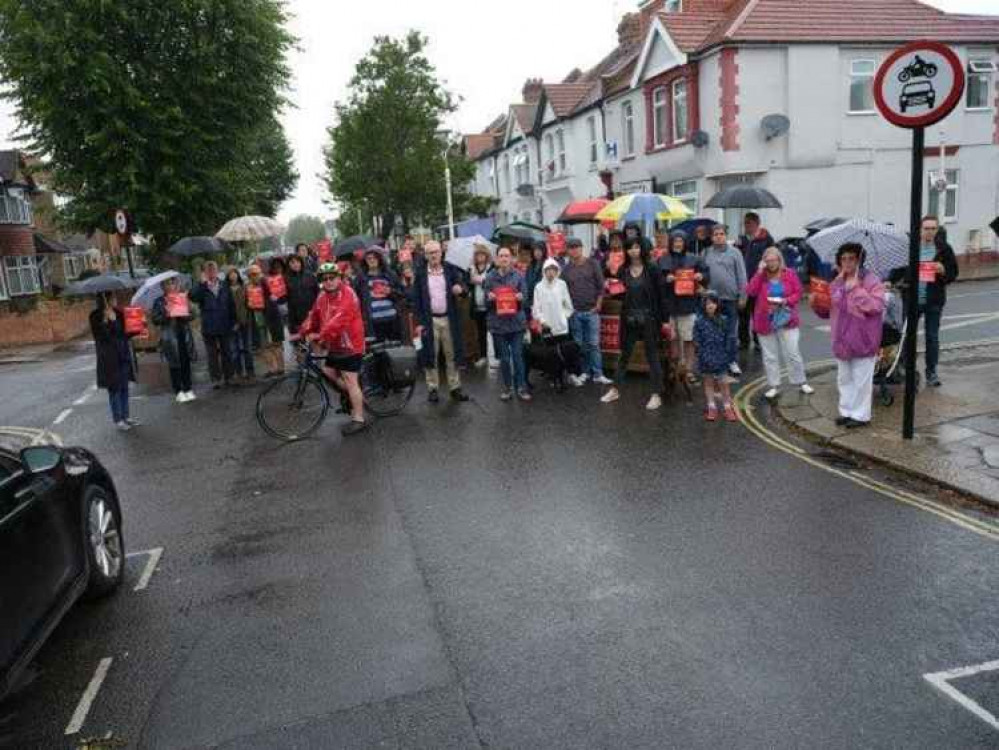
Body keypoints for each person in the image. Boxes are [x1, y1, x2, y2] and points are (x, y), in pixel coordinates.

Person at [298, 262, 368, 436]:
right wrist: (303, 331)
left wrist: (319, 336)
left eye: (332, 278)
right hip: (334, 344)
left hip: (351, 344)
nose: (328, 281)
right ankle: (354, 395)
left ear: (339, 278)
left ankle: (359, 418)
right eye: (325, 279)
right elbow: (313, 315)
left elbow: (338, 320)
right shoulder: (322, 297)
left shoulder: (348, 294)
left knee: (349, 380)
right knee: (327, 371)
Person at [600, 239, 664, 410]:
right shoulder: (623, 270)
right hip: (629, 318)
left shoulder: (652, 269)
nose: (633, 250)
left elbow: (661, 296)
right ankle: (615, 389)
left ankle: (656, 394)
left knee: (652, 357)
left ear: (642, 249)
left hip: (649, 318)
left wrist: (665, 321)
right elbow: (620, 295)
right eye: (629, 247)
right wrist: (610, 287)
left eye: (636, 247)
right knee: (624, 356)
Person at [745, 247, 814, 400]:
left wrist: (786, 301)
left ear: (779, 260)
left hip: (786, 318)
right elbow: (750, 291)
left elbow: (798, 292)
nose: (771, 263)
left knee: (793, 353)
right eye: (768, 260)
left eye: (774, 260)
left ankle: (801, 381)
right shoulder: (761, 276)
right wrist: (758, 272)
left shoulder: (789, 273)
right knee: (770, 356)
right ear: (764, 261)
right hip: (765, 320)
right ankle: (774, 385)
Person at [830, 243, 885, 429]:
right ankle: (846, 412)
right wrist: (818, 302)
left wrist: (856, 290)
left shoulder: (872, 281)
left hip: (863, 339)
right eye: (843, 258)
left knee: (861, 381)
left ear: (859, 260)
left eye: (851, 258)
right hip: (842, 339)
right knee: (844, 379)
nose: (847, 262)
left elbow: (876, 306)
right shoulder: (837, 281)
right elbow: (830, 309)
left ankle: (861, 416)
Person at [412, 240, 469, 403]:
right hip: (429, 320)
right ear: (425, 255)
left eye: (436, 251)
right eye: (430, 253)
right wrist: (419, 322)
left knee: (452, 354)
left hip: (449, 318)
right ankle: (433, 388)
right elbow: (416, 299)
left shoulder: (450, 269)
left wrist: (461, 290)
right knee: (430, 354)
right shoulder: (421, 273)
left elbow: (464, 288)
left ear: (441, 253)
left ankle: (455, 387)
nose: (434, 255)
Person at [914, 215, 959, 387]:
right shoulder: (912, 247)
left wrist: (943, 270)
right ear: (920, 229)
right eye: (927, 228)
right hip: (913, 300)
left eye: (933, 228)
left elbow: (953, 274)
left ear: (937, 230)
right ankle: (906, 368)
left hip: (934, 300)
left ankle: (931, 371)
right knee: (908, 337)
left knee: (932, 337)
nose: (930, 231)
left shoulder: (944, 248)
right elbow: (900, 270)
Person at [658, 229, 709, 379]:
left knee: (689, 339)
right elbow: (656, 280)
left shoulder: (695, 259)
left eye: (680, 241)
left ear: (685, 243)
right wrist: (665, 279)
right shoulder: (663, 260)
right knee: (672, 339)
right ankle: (674, 368)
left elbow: (706, 274)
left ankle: (688, 370)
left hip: (688, 305)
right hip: (670, 306)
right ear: (671, 243)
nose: (677, 244)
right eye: (675, 241)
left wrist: (701, 276)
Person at [562, 237, 612, 386]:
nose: (574, 250)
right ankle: (584, 372)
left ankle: (598, 373)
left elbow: (601, 286)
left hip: (592, 311)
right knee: (580, 345)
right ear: (568, 250)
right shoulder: (566, 269)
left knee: (594, 344)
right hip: (575, 313)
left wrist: (598, 304)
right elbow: (563, 292)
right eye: (571, 247)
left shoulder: (593, 263)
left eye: (577, 246)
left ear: (582, 248)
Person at [484, 246, 530, 401]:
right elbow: (486, 302)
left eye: (507, 256)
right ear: (497, 259)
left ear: (511, 259)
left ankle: (522, 387)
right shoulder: (490, 277)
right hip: (498, 325)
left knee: (517, 357)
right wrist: (489, 298)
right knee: (504, 358)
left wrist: (520, 298)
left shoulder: (518, 276)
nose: (504, 258)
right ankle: (507, 388)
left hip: (516, 324)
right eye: (501, 255)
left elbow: (526, 300)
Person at [703, 224, 747, 377]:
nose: (719, 236)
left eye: (721, 234)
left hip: (731, 299)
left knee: (731, 334)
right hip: (712, 300)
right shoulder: (706, 253)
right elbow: (702, 274)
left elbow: (742, 275)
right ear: (711, 237)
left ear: (726, 236)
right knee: (714, 333)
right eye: (715, 234)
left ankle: (732, 362)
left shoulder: (735, 253)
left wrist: (743, 296)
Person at [531, 257, 580, 392]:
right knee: (550, 356)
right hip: (547, 328)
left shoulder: (562, 284)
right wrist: (542, 321)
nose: (551, 273)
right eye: (548, 270)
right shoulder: (538, 287)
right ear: (544, 271)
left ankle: (562, 377)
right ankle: (554, 378)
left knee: (562, 354)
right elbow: (536, 309)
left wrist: (563, 316)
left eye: (553, 270)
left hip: (562, 328)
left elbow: (569, 306)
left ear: (557, 271)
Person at [90, 292, 138, 430]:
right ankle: (118, 420)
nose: (116, 300)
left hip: (122, 353)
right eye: (113, 298)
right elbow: (101, 337)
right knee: (114, 389)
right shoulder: (95, 316)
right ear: (106, 300)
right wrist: (105, 321)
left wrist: (137, 327)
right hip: (109, 358)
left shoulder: (118, 312)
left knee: (124, 387)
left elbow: (125, 333)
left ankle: (126, 416)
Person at [694, 291, 738, 422]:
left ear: (717, 305)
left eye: (713, 302)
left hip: (721, 357)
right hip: (706, 356)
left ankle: (727, 407)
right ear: (703, 306)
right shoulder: (699, 322)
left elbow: (729, 339)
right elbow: (697, 340)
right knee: (708, 382)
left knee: (723, 383)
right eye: (707, 303)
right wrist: (701, 353)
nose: (710, 305)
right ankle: (711, 406)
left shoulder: (724, 320)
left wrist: (729, 357)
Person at [190, 260, 235, 389]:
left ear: (217, 271)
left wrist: (233, 321)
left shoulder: (224, 285)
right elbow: (192, 296)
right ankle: (216, 379)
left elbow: (231, 304)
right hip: (209, 326)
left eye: (214, 270)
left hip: (225, 324)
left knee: (227, 352)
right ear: (205, 272)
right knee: (212, 355)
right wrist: (201, 283)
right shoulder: (202, 287)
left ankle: (229, 377)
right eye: (209, 270)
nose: (212, 273)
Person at [736, 212, 776, 350]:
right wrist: (737, 246)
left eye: (748, 223)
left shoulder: (766, 239)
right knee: (743, 313)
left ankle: (758, 341)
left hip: (759, 282)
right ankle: (743, 341)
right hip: (744, 282)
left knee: (758, 312)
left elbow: (773, 258)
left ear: (756, 223)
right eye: (744, 223)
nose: (745, 226)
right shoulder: (742, 240)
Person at [152, 276, 195, 402]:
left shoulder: (182, 297)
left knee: (185, 361)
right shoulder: (159, 301)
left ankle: (188, 388)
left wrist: (184, 314)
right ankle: (178, 390)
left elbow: (194, 314)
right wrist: (167, 314)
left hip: (183, 334)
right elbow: (155, 319)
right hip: (169, 336)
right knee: (174, 364)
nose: (170, 286)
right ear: (162, 287)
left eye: (172, 283)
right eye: (167, 284)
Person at [246, 264, 286, 377]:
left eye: (256, 274)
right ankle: (273, 368)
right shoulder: (249, 287)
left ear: (260, 273)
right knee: (265, 345)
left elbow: (279, 295)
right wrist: (251, 304)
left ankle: (281, 368)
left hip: (272, 317)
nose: (255, 276)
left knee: (277, 343)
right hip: (259, 318)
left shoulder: (268, 283)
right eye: (252, 275)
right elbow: (248, 303)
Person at [356, 248, 403, 342]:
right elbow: (357, 298)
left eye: (374, 258)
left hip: (392, 319)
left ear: (379, 259)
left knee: (395, 349)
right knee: (378, 351)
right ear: (365, 261)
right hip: (374, 321)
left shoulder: (390, 274)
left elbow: (401, 293)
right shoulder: (362, 278)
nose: (372, 260)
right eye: (369, 258)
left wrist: (390, 292)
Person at [226, 267, 255, 383]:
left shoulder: (244, 287)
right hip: (231, 324)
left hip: (245, 322)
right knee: (234, 349)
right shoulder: (225, 290)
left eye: (235, 273)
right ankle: (238, 372)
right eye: (230, 274)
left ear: (238, 275)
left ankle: (250, 372)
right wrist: (233, 322)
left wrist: (245, 319)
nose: (233, 276)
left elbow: (249, 304)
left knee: (247, 348)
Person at [467, 245, 493, 368]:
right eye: (478, 255)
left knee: (493, 331)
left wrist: (482, 282)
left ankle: (497, 356)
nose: (480, 257)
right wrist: (471, 280)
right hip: (477, 306)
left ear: (486, 256)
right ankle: (483, 356)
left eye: (482, 254)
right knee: (480, 333)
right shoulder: (471, 269)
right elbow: (467, 284)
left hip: (489, 306)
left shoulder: (491, 268)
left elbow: (493, 284)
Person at [285, 254, 319, 336]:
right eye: (292, 262)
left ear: (301, 262)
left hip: (312, 311)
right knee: (302, 339)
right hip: (296, 315)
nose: (296, 264)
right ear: (289, 265)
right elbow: (285, 298)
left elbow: (317, 293)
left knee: (314, 336)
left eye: (298, 262)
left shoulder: (310, 275)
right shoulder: (286, 279)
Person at [524, 241, 547, 314]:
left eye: (540, 250)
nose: (537, 252)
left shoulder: (547, 265)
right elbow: (526, 282)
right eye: (535, 250)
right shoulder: (530, 265)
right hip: (530, 300)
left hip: (542, 302)